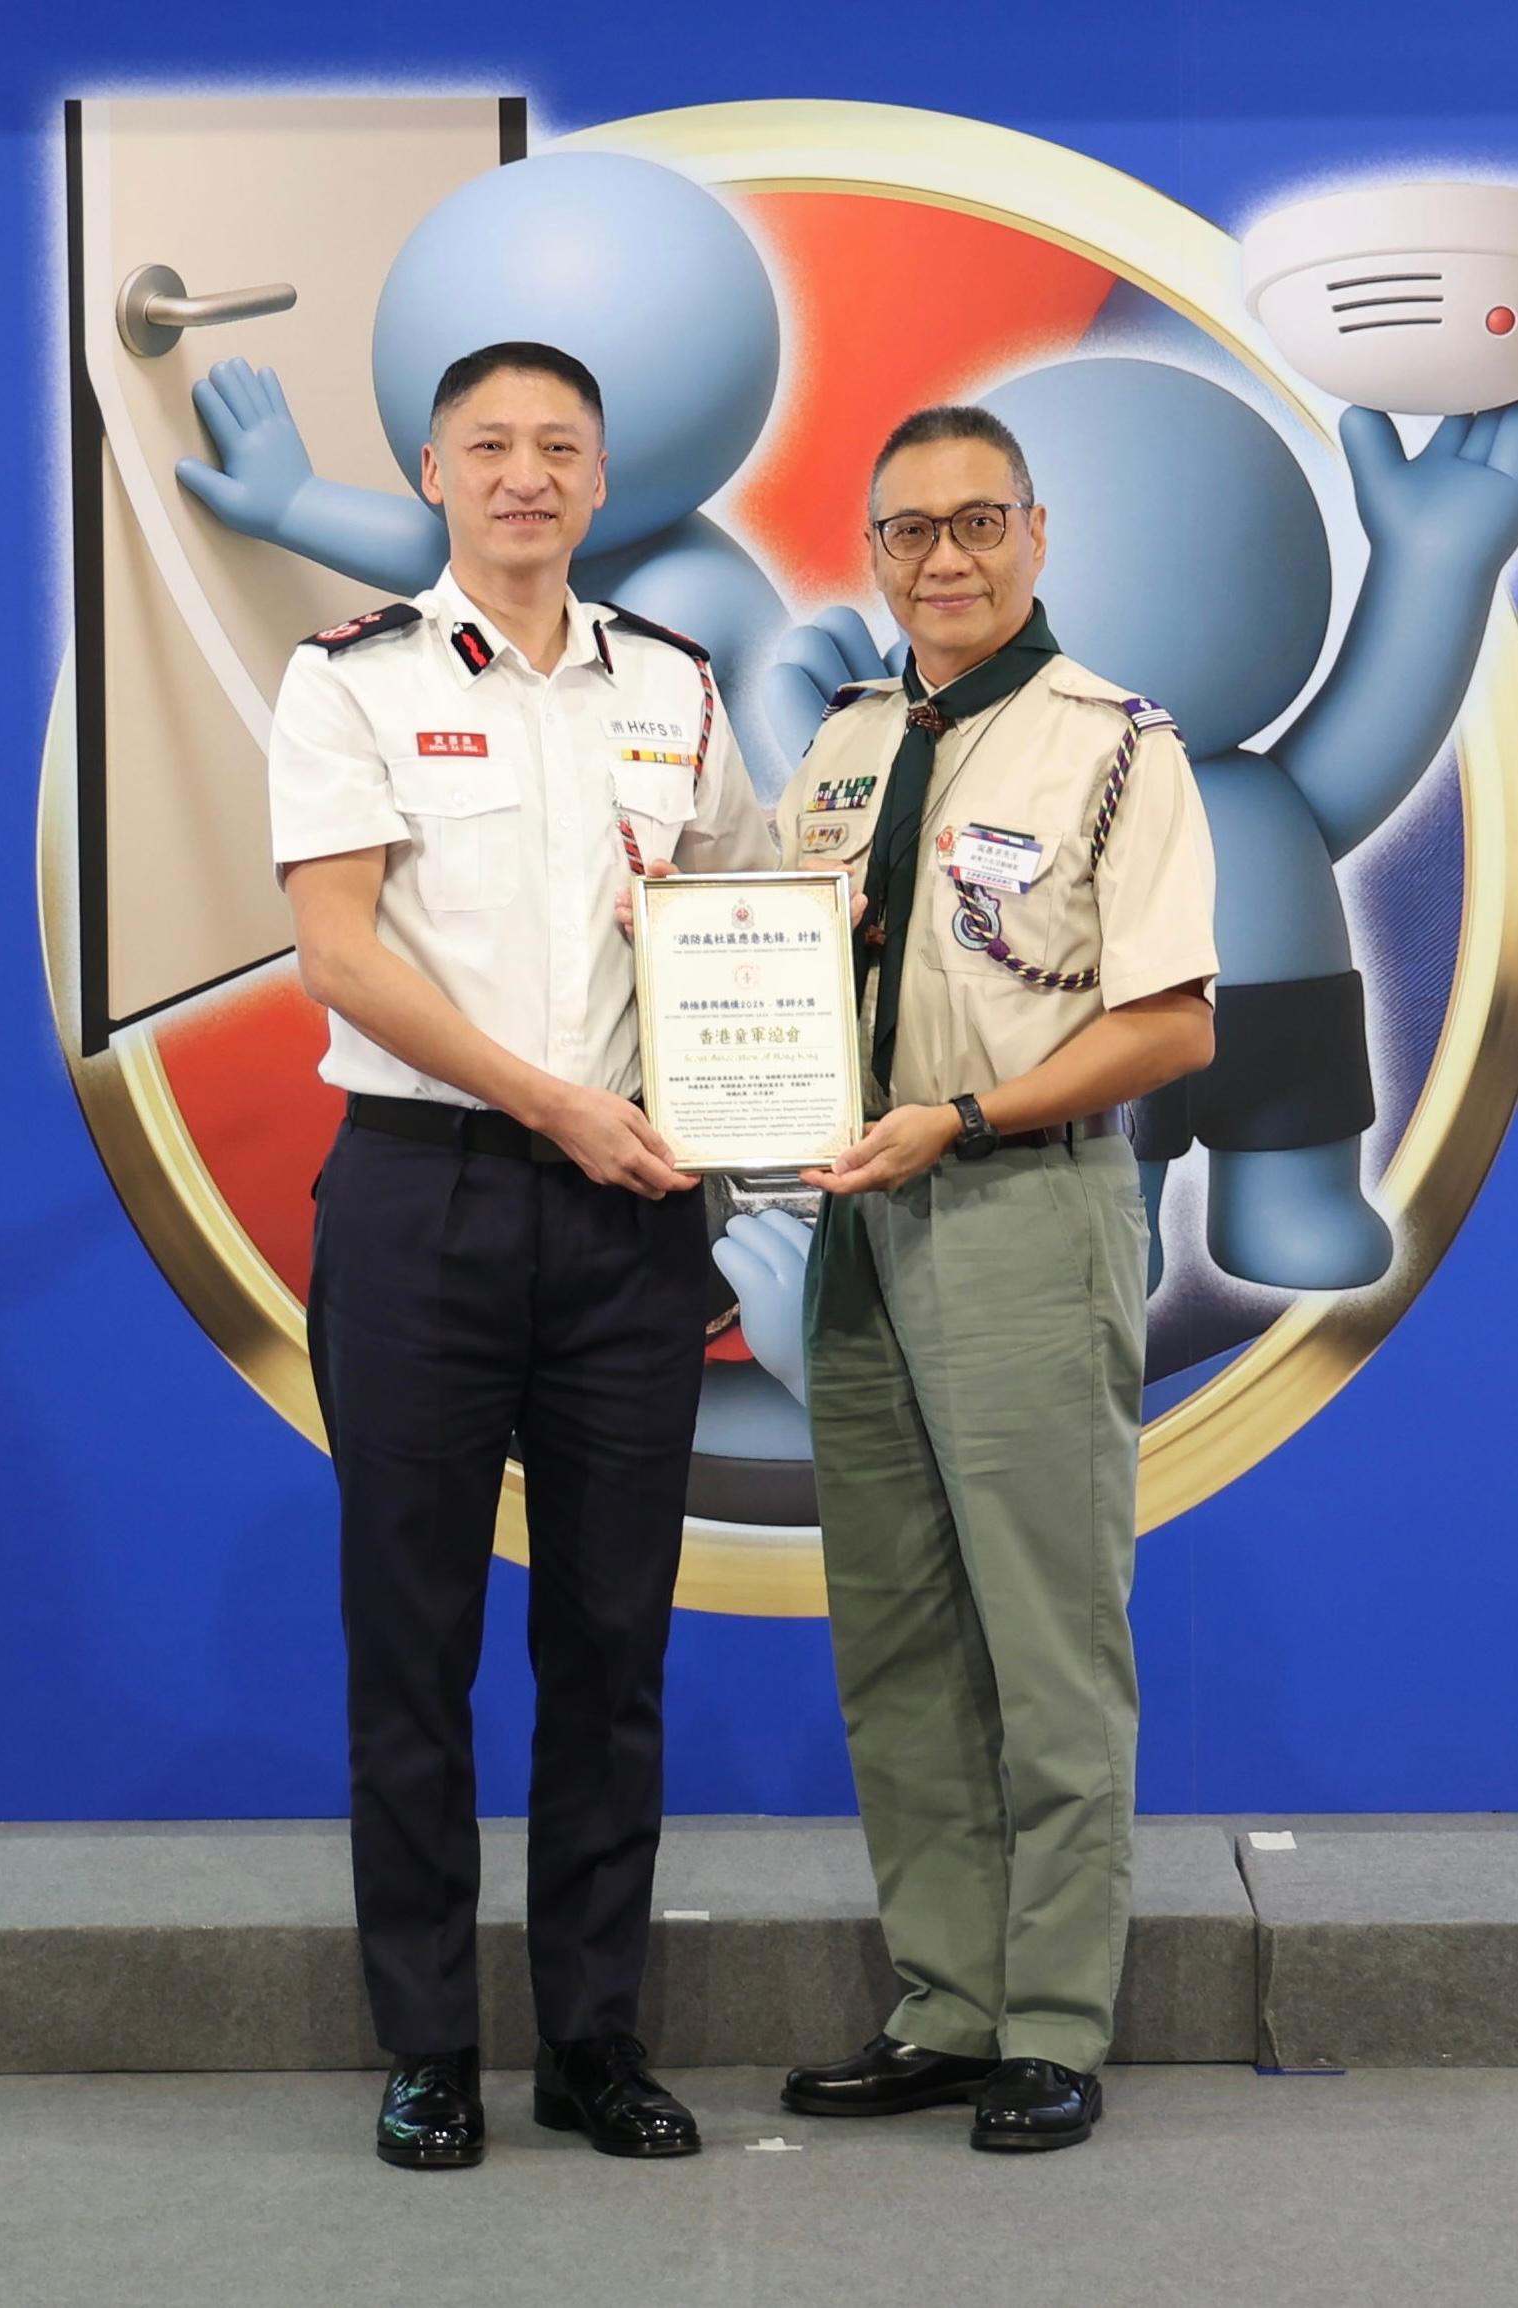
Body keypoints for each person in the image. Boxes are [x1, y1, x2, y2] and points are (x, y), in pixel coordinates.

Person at [268, 340, 774, 2168]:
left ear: (602, 476)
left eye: (559, 446)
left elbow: (738, 918)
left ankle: (591, 2038)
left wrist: (774, 1044)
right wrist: (555, 1103)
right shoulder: (352, 681)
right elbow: (340, 955)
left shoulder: (675, 685)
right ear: (431, 472)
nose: (524, 475)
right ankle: (425, 2046)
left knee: (609, 1640)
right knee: (411, 1640)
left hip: (628, 1217)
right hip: (425, 1199)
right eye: (487, 444)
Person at [774, 404, 1218, 2152]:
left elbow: (1168, 1025)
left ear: (1037, 532)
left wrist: (957, 1116)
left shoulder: (1115, 747)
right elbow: (773, 963)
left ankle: (1050, 2019)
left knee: (1047, 1633)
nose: (942, 559)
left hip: (1022, 1203)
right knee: (894, 1634)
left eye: (977, 523)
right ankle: (945, 2005)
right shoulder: (844, 744)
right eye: (908, 530)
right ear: (872, 549)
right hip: (857, 1223)